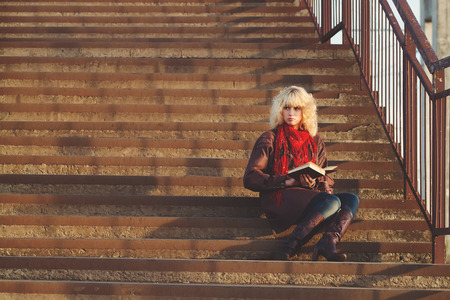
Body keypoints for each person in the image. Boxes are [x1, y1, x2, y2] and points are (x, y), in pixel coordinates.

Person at [243, 86, 359, 261]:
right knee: (332, 202)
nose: (291, 113)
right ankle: (289, 247)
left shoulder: (315, 140)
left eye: (297, 108)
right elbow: (251, 177)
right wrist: (285, 181)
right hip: (280, 197)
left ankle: (328, 242)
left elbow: (322, 173)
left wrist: (314, 183)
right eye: (287, 107)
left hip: (309, 196)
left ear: (305, 112)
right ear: (280, 110)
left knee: (351, 199)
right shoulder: (270, 138)